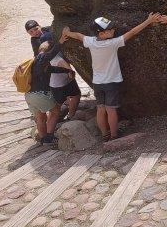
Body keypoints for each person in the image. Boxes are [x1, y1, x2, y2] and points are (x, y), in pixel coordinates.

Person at [61, 13, 160, 141]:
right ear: (102, 33)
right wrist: (148, 21)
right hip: (111, 82)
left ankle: (104, 134)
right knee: (111, 110)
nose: (113, 30)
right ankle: (114, 135)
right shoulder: (112, 43)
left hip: (97, 82)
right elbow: (132, 32)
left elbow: (79, 36)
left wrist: (67, 33)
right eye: (110, 30)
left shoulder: (91, 41)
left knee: (100, 109)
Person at [25, 39, 63, 145]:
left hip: (29, 95)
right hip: (40, 94)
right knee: (55, 111)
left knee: (40, 117)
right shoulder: (43, 57)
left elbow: (52, 70)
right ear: (48, 50)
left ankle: (43, 139)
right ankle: (49, 136)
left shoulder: (36, 61)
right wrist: (61, 41)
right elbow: (53, 52)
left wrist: (67, 71)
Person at [48, 47, 82, 120]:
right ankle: (70, 116)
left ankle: (50, 121)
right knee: (75, 96)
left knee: (57, 105)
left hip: (53, 84)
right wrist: (71, 77)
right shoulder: (58, 59)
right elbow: (71, 72)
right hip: (63, 83)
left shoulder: (44, 57)